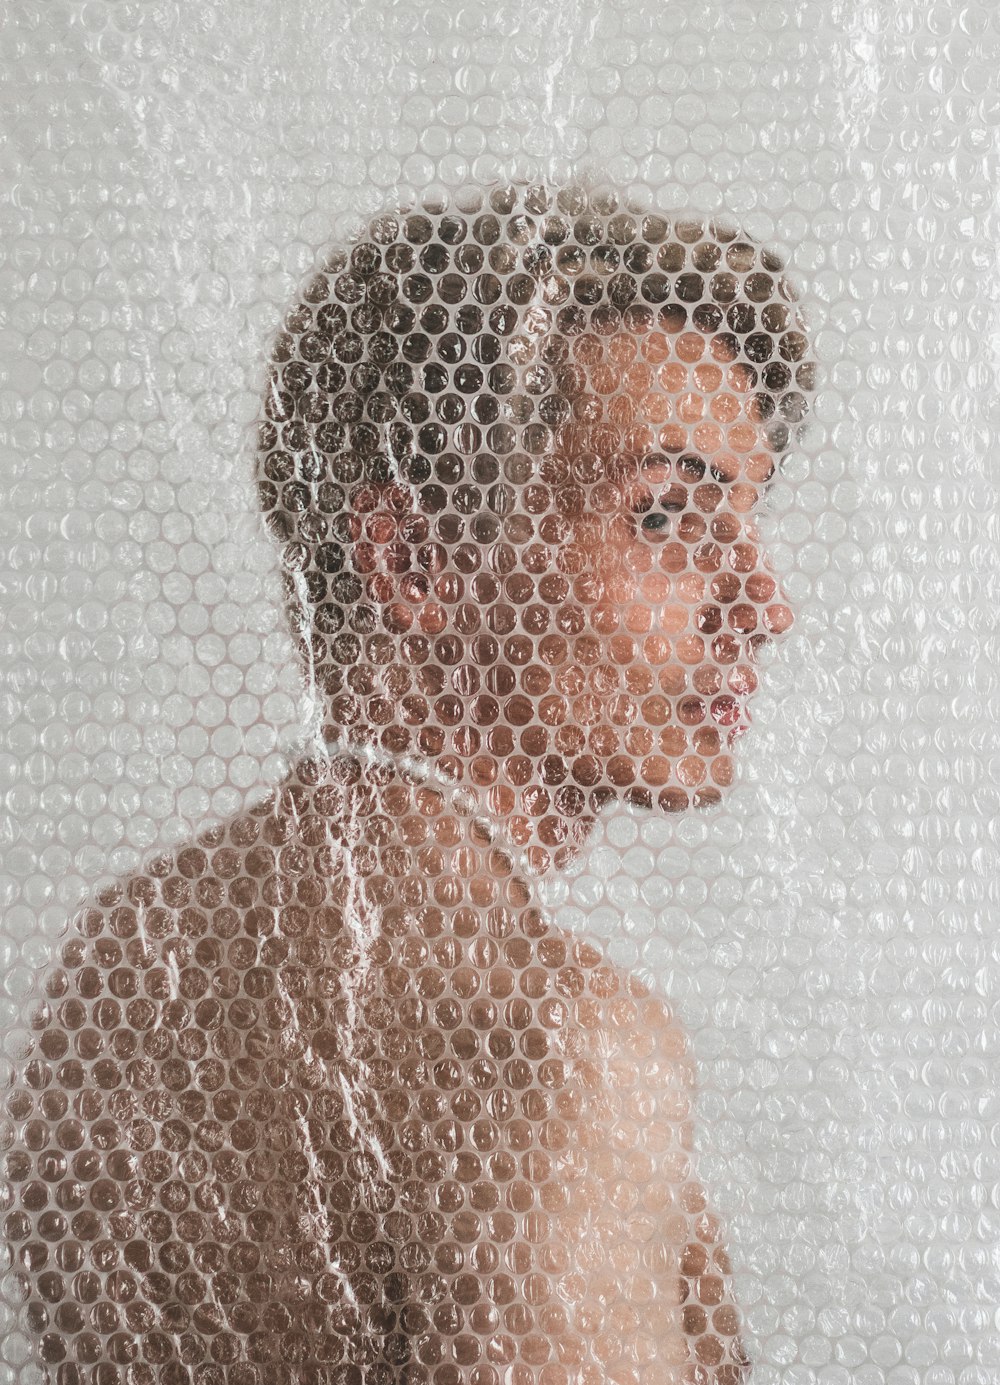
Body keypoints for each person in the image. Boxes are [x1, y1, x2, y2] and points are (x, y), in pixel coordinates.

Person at [3, 178, 813, 1384]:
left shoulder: (119, 966)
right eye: (662, 515)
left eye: (744, 519)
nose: (763, 603)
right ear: (415, 560)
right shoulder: (561, 1050)